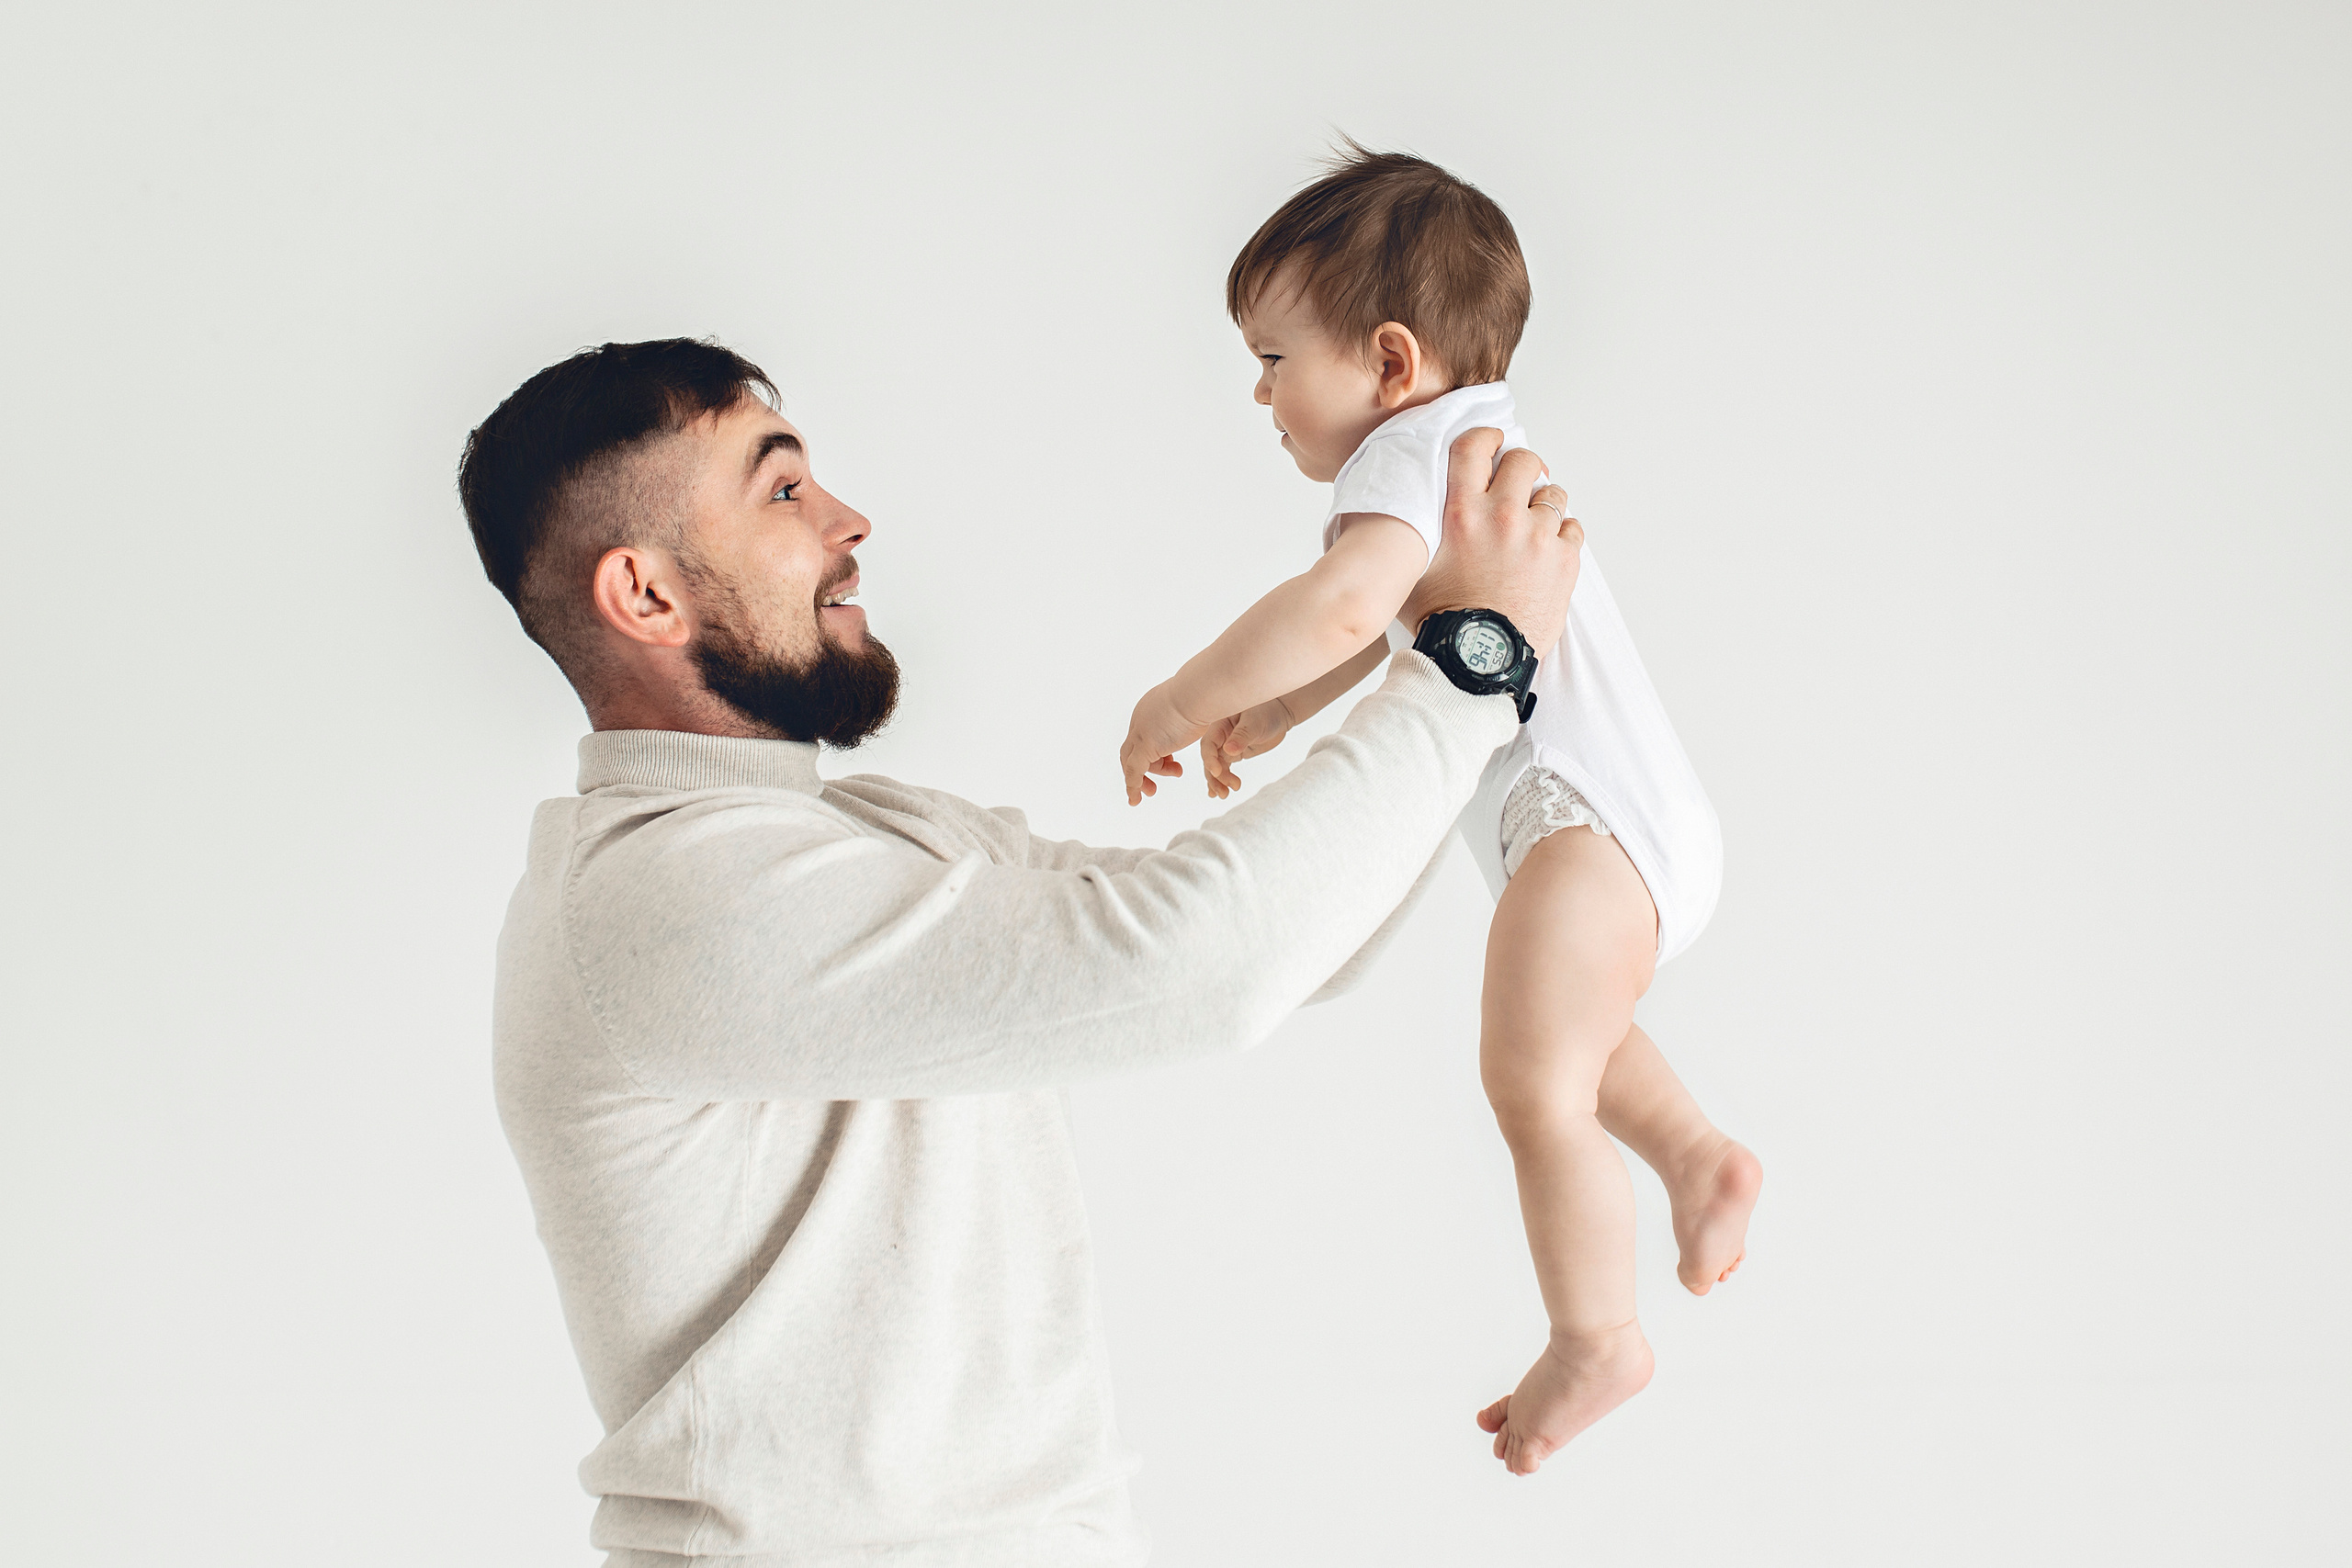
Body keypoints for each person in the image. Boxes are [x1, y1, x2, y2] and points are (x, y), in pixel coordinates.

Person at [458, 335, 1586, 1564]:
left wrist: (1421, 646)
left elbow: (1300, 946)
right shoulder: (660, 899)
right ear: (647, 597)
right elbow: (1202, 967)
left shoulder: (877, 837)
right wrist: (1475, 661)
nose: (850, 520)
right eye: (782, 490)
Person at [1116, 146, 1763, 1475]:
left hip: (1584, 825)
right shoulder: (1469, 453)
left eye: (1276, 356)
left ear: (1391, 360)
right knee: (1580, 1044)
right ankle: (1698, 1157)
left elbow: (1353, 604)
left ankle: (1599, 1335)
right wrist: (1290, 711)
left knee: (1530, 1081)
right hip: (1631, 831)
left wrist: (1182, 699)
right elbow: (1400, 622)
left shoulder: (1410, 452)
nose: (1259, 390)